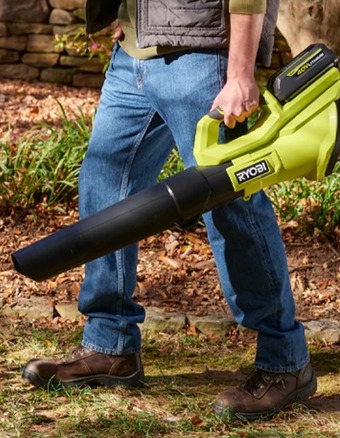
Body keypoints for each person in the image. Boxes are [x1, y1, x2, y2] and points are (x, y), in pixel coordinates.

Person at [21, 0, 317, 421]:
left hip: (202, 58)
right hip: (132, 58)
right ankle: (111, 345)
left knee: (231, 204)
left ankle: (285, 361)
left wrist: (239, 73)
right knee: (103, 190)